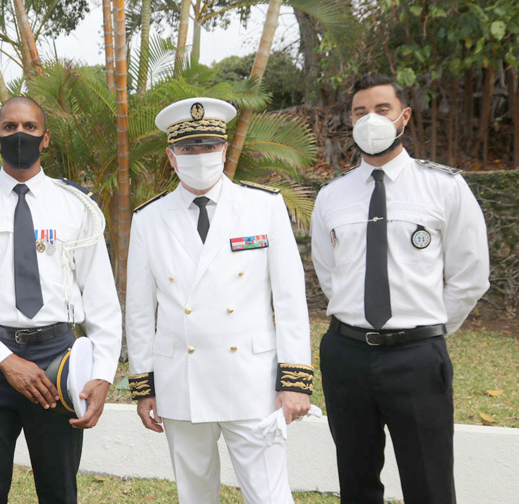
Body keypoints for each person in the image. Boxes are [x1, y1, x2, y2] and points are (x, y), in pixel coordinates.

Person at [311, 74, 490, 504]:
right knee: (356, 480)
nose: (369, 119)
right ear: (350, 121)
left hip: (416, 358)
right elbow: (328, 272)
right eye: (359, 111)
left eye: (381, 109)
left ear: (404, 116)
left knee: (428, 483)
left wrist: (425, 327)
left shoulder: (445, 186)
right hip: (347, 354)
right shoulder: (331, 196)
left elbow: (470, 274)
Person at [0, 96, 122, 504]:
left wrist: (103, 373)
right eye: (10, 127)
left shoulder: (77, 206)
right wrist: (3, 360)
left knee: (59, 491)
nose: (20, 134)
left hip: (58, 360)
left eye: (30, 128)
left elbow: (102, 297)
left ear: (46, 138)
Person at [125, 97, 314, 504]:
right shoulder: (148, 219)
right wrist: (144, 386)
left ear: (225, 150)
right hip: (182, 383)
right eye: (189, 149)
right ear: (171, 157)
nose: (200, 157)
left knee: (269, 496)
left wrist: (295, 379)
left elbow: (290, 298)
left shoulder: (264, 206)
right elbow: (140, 311)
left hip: (253, 380)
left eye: (209, 146)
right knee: (195, 496)